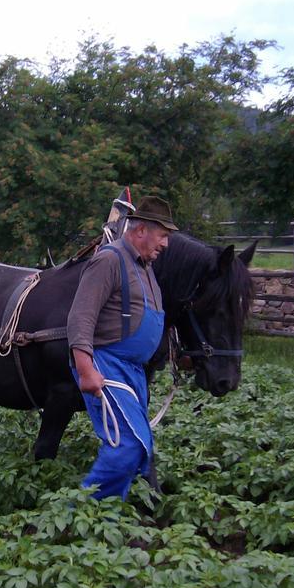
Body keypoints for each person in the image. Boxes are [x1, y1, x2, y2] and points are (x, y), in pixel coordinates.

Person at [66, 195, 177, 500]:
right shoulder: (109, 260)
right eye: (163, 235)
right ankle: (85, 518)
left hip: (133, 372)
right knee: (127, 445)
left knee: (139, 445)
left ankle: (110, 518)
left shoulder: (144, 267)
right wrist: (85, 369)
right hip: (107, 364)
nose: (165, 245)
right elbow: (80, 317)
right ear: (141, 230)